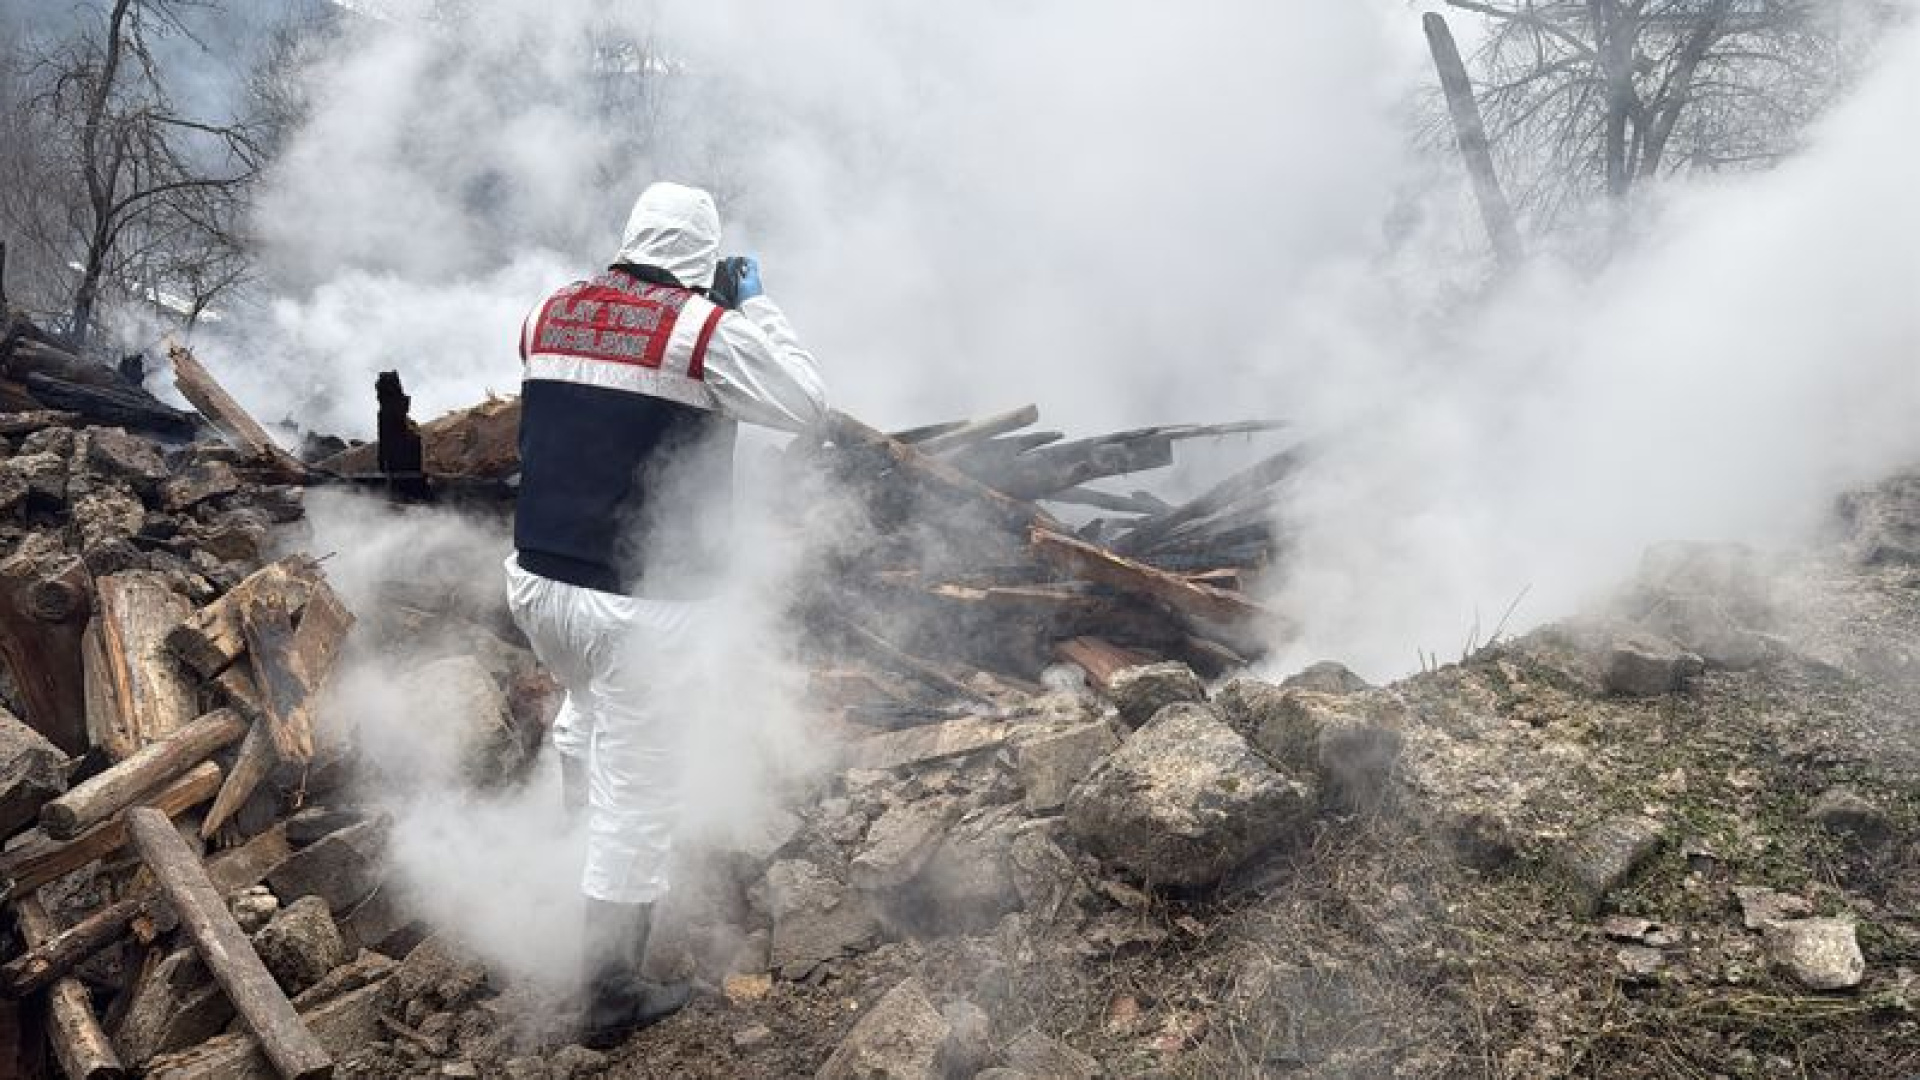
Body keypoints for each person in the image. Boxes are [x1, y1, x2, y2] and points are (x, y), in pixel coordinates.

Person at [504, 181, 826, 1047]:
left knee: (586, 705)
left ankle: (566, 845)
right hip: (635, 609)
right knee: (640, 791)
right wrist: (757, 305)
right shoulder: (703, 333)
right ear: (704, 255)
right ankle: (608, 994)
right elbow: (804, 403)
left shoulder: (550, 311)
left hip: (538, 587)